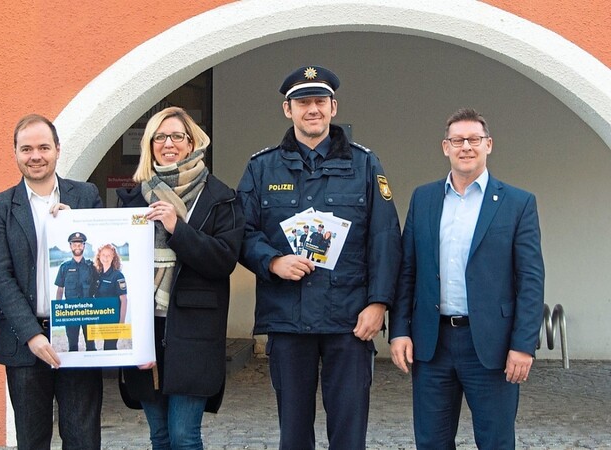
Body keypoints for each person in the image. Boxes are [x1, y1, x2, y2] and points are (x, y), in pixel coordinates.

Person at [237, 65, 402, 449]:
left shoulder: (364, 164)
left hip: (349, 320)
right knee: (293, 434)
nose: (312, 109)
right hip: (288, 317)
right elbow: (240, 231)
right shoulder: (262, 167)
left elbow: (384, 238)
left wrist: (378, 304)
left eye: (319, 102)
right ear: (287, 110)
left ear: (333, 107)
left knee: (349, 433)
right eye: (303, 102)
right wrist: (272, 261)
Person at [389, 108, 545, 449]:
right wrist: (399, 330)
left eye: (474, 139)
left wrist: (522, 345)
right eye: (457, 140)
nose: (466, 147)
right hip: (433, 345)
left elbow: (531, 280)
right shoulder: (424, 198)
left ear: (488, 145)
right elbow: (408, 271)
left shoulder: (517, 203)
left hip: (492, 346)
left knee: (496, 442)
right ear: (445, 147)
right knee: (431, 442)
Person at [116, 106, 244, 450]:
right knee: (159, 436)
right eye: (160, 136)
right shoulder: (132, 197)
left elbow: (223, 260)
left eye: (177, 136)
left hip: (194, 333)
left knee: (185, 437)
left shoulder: (221, 197)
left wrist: (177, 228)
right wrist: (70, 221)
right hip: (144, 330)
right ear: (149, 144)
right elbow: (112, 250)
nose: (168, 143)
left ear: (192, 143)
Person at [0, 114, 104, 450]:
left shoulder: (85, 195)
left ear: (58, 150)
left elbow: (101, 257)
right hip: (24, 341)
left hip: (77, 335)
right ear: (16, 153)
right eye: (27, 149)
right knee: (32, 440)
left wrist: (77, 224)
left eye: (43, 147)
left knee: (83, 439)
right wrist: (32, 335)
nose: (36, 155)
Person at [54, 231, 99, 351]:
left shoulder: (92, 266)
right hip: (70, 312)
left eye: (80, 244)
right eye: (74, 244)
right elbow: (60, 289)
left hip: (89, 311)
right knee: (72, 346)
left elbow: (98, 287)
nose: (77, 247)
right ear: (70, 246)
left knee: (91, 346)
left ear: (84, 246)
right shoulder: (64, 267)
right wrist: (58, 309)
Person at [92, 243, 128, 350]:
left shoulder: (118, 275)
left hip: (113, 319)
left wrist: (121, 322)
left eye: (109, 255)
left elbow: (124, 300)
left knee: (110, 346)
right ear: (99, 256)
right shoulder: (98, 274)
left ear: (113, 257)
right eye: (103, 255)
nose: (106, 258)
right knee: (107, 346)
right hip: (102, 317)